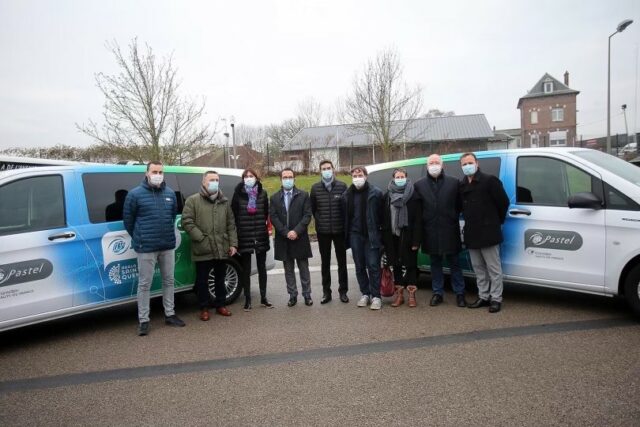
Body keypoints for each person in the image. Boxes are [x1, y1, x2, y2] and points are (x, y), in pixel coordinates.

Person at [123, 161, 185, 336]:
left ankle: (170, 314)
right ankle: (144, 320)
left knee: (169, 281)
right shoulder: (135, 195)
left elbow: (172, 216)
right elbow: (128, 220)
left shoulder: (170, 193)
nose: (158, 174)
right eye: (154, 171)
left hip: (167, 245)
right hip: (146, 247)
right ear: (147, 173)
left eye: (160, 171)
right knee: (144, 284)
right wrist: (140, 237)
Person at [182, 171, 238, 321]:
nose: (214, 182)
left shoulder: (224, 202)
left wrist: (233, 243)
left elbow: (231, 224)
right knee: (202, 280)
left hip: (221, 246)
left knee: (220, 278)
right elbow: (186, 222)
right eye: (211, 180)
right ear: (203, 182)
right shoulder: (193, 200)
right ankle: (204, 308)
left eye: (217, 180)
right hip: (203, 248)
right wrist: (200, 238)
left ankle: (220, 304)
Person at [459, 152, 510, 313]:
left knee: (493, 268)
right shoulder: (462, 185)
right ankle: (483, 296)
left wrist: (496, 222)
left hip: (488, 232)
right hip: (472, 233)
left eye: (470, 162)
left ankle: (496, 298)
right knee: (478, 268)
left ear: (477, 163)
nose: (467, 166)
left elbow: (503, 203)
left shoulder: (489, 181)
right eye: (464, 164)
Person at [414, 154, 467, 308]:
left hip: (450, 230)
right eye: (431, 163)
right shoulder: (419, 185)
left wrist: (450, 217)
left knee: (455, 264)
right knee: (435, 264)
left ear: (442, 165)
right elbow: (418, 210)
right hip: (430, 231)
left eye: (437, 162)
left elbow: (459, 206)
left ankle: (460, 293)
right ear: (427, 165)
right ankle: (438, 293)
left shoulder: (454, 183)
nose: (434, 165)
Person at [269, 168, 313, 307]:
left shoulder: (303, 195)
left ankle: (307, 295)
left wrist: (296, 231)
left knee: (303, 269)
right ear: (281, 179)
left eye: (290, 177)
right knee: (288, 270)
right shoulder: (275, 197)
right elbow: (273, 217)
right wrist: (285, 232)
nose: (287, 179)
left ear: (294, 179)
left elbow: (307, 215)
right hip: (284, 239)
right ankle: (292, 295)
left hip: (300, 237)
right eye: (284, 177)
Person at [231, 168, 272, 311]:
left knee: (262, 269)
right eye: (246, 176)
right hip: (245, 235)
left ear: (256, 178)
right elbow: (234, 216)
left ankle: (263, 298)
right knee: (246, 270)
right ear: (243, 179)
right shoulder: (238, 195)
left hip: (260, 235)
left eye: (251, 176)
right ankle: (247, 300)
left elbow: (266, 213)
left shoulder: (263, 194)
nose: (248, 178)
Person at [343, 166, 384, 310]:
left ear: (366, 176)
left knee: (373, 266)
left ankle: (376, 296)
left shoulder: (376, 193)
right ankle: (365, 293)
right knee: (359, 266)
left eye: (360, 174)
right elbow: (345, 218)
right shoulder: (347, 195)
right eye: (354, 175)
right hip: (355, 235)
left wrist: (381, 237)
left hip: (371, 235)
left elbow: (382, 216)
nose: (357, 177)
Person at [381, 168, 422, 308]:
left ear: (406, 177)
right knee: (396, 266)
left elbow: (418, 220)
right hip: (392, 237)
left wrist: (416, 240)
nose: (400, 179)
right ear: (393, 178)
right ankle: (399, 295)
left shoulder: (414, 195)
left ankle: (411, 294)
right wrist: (384, 240)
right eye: (397, 177)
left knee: (411, 265)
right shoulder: (387, 196)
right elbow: (384, 219)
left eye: (402, 176)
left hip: (409, 237)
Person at [310, 160, 349, 304]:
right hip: (323, 232)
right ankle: (327, 293)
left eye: (328, 168)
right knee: (325, 263)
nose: (326, 170)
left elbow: (345, 209)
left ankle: (343, 291)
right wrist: (320, 222)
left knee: (342, 262)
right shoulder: (315, 189)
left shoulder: (342, 186)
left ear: (333, 169)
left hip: (339, 230)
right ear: (320, 171)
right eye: (323, 168)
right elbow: (313, 209)